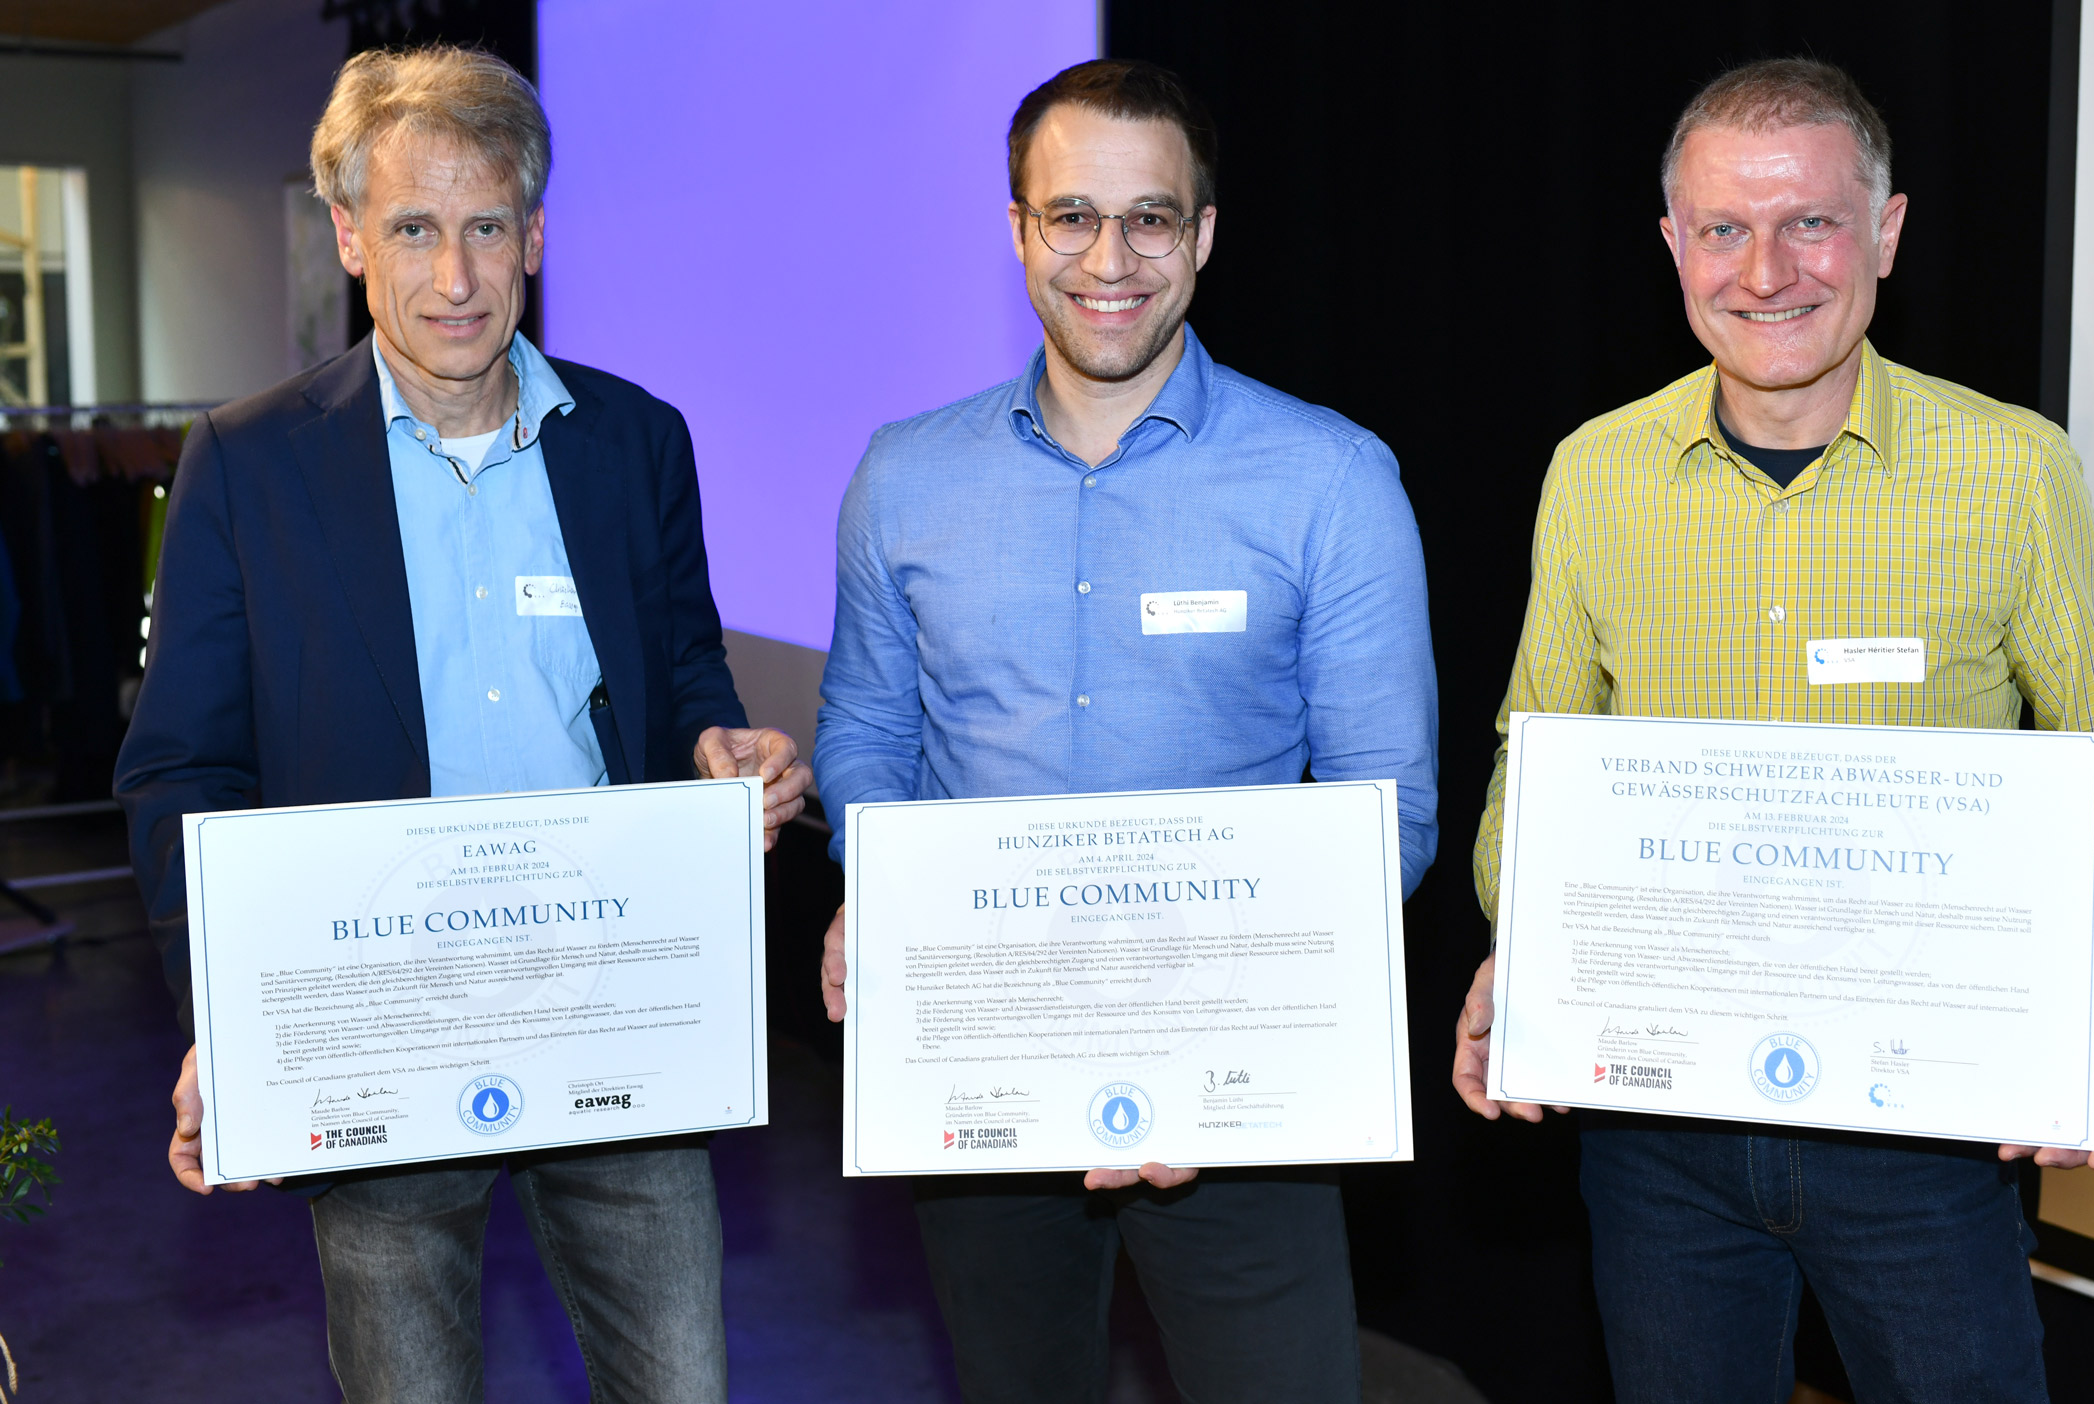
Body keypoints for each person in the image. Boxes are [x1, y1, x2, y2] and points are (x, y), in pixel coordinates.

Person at [1452, 58, 2094, 1404]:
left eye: (1811, 223)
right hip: (1658, 1132)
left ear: (1886, 233)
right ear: (1673, 243)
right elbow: (1531, 762)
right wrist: (1530, 942)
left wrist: (2067, 978)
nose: (1766, 271)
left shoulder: (2011, 470)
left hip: (1923, 1129)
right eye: (1724, 227)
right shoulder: (1595, 474)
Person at [114, 46, 810, 1404]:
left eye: (488, 228)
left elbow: (683, 669)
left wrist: (721, 750)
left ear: (535, 235)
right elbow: (182, 765)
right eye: (414, 230)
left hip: (616, 1014)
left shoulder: (636, 442)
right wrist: (227, 1021)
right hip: (377, 1029)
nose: (455, 278)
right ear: (348, 236)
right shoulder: (248, 463)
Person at [811, 58, 1438, 1404]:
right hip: (981, 1058)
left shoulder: (1331, 480)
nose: (1110, 259)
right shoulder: (903, 476)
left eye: (1150, 218)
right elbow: (864, 737)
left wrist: (1196, 1035)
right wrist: (888, 890)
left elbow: (1388, 806)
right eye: (1072, 216)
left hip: (1245, 1081)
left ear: (1202, 235)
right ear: (1019, 230)